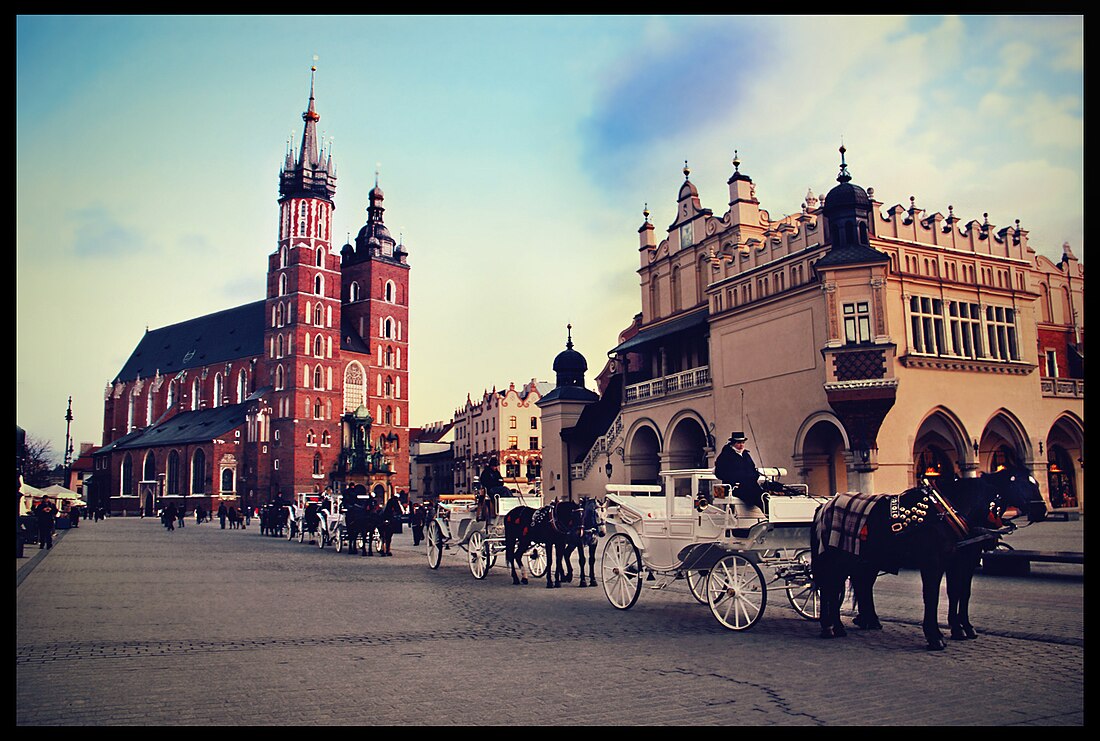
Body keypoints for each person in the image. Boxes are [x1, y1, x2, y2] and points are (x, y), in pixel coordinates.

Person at [714, 431, 765, 512]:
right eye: (739, 443)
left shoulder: (746, 455)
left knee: (763, 495)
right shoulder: (726, 455)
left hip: (749, 484)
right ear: (733, 443)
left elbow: (752, 468)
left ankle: (769, 514)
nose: (741, 445)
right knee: (754, 494)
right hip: (734, 487)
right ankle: (767, 513)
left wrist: (754, 477)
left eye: (743, 442)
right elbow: (719, 473)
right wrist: (736, 479)